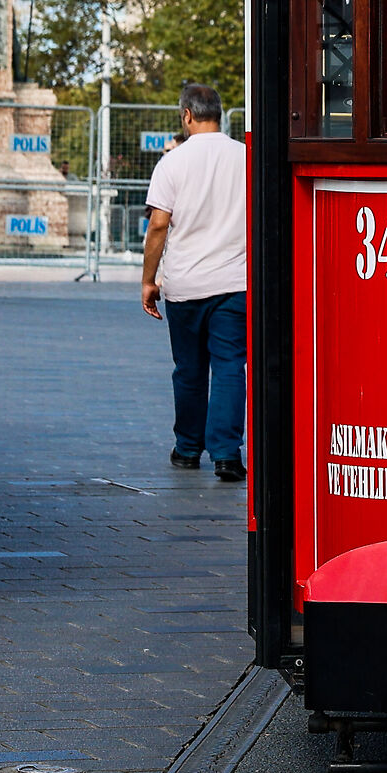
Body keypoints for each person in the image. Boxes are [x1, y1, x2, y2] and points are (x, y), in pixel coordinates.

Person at [142, 83, 250, 481]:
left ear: (187, 115)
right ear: (219, 114)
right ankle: (226, 454)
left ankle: (188, 448)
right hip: (235, 282)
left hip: (185, 285)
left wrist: (147, 280)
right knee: (228, 367)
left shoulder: (173, 163)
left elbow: (158, 226)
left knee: (188, 369)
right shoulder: (244, 157)